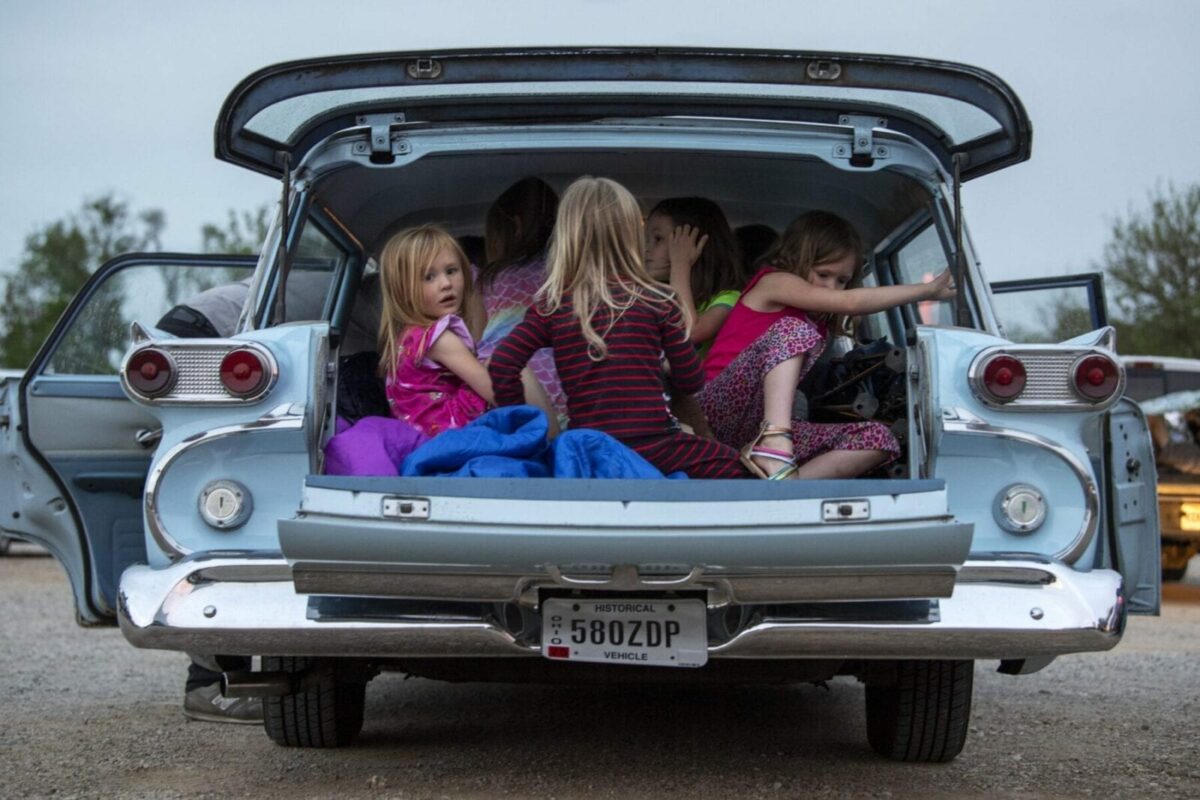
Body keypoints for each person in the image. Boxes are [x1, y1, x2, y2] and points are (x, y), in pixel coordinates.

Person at [488, 176, 747, 479]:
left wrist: (526, 430)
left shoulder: (552, 306)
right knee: (743, 474)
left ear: (567, 236)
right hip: (659, 446)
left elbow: (503, 363)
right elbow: (691, 381)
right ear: (629, 236)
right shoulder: (659, 300)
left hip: (591, 448)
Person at [698, 211, 956, 480]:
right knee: (793, 329)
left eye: (841, 281)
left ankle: (780, 489)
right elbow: (851, 303)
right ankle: (774, 442)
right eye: (823, 274)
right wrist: (928, 290)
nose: (832, 287)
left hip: (754, 428)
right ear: (797, 259)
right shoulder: (773, 282)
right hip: (714, 409)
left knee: (877, 438)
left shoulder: (815, 321)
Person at [377, 224, 494, 437]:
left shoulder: (408, 337)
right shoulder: (440, 338)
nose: (446, 284)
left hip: (426, 435)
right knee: (512, 366)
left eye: (452, 271)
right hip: (452, 430)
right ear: (403, 290)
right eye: (428, 277)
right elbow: (496, 392)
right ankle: (554, 443)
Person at [475, 177, 568, 424]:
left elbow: (476, 339)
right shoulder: (568, 270)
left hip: (506, 380)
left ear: (514, 227)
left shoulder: (491, 278)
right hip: (567, 379)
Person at [644, 197, 749, 356]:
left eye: (657, 239)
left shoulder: (729, 297)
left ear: (692, 245)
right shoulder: (653, 293)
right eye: (646, 240)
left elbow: (689, 333)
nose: (646, 248)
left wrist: (680, 264)